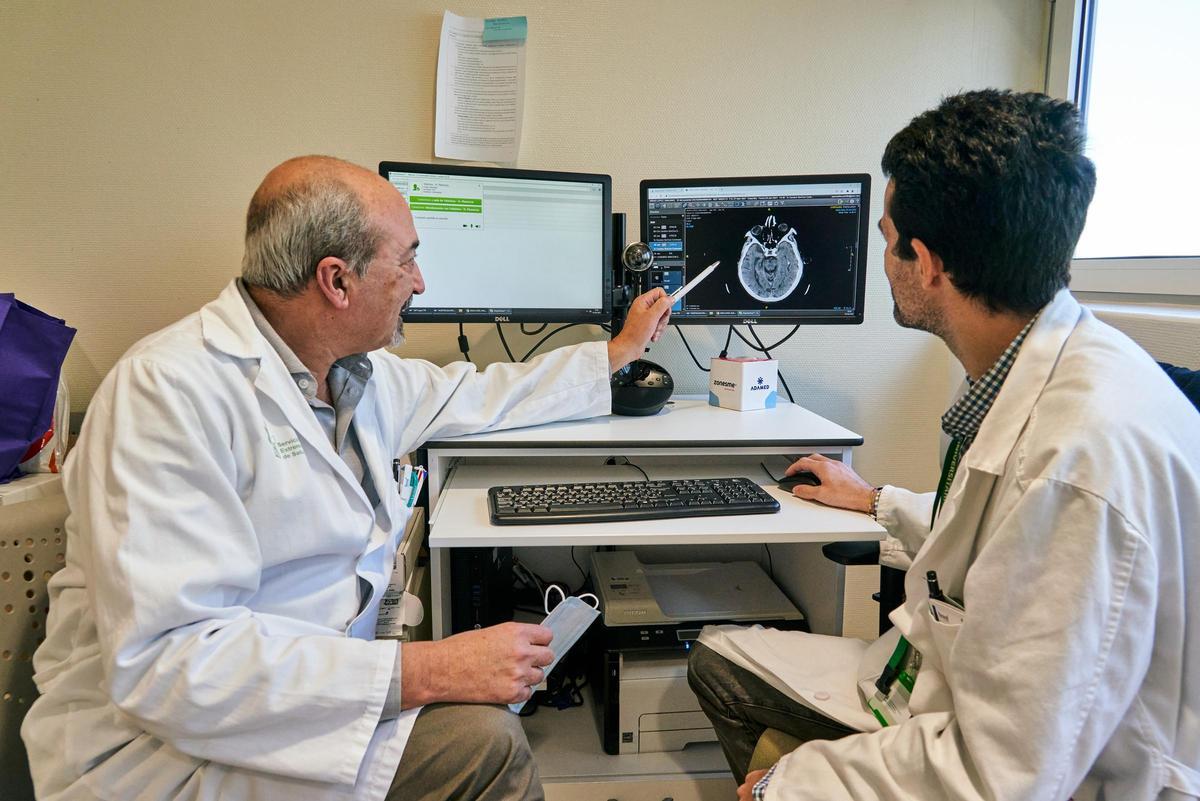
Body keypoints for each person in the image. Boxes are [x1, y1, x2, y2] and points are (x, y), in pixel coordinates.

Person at [21, 155, 675, 801]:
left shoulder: (351, 372)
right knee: (490, 742)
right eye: (407, 260)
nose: (420, 283)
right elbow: (173, 667)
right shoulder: (167, 392)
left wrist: (615, 353)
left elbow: (480, 394)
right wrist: (430, 668)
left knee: (486, 730)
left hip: (295, 707)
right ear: (336, 281)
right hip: (167, 755)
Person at [688, 90, 1200, 801]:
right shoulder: (1049, 367)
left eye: (888, 235)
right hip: (960, 697)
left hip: (1048, 770)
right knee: (718, 658)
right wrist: (872, 499)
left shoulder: (1079, 463)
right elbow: (1000, 540)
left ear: (924, 262)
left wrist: (787, 783)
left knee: (769, 758)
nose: (884, 253)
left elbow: (996, 779)